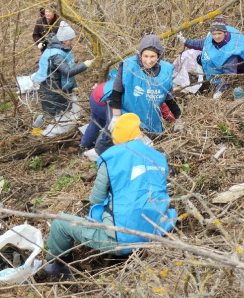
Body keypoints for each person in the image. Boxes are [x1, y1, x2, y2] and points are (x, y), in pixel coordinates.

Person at [44, 113, 177, 277]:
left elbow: (96, 199)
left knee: (60, 223)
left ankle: (57, 267)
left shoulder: (112, 157)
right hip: (158, 232)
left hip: (123, 239)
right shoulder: (159, 157)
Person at [93, 34, 180, 155]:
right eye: (145, 56)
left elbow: (170, 99)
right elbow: (116, 92)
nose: (148, 60)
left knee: (141, 138)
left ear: (159, 56)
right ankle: (100, 153)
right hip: (122, 106)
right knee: (114, 130)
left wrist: (179, 118)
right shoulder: (129, 66)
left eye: (152, 56)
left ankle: (127, 154)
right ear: (140, 55)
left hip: (145, 110)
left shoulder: (165, 71)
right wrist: (116, 117)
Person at [177, 15, 244, 99]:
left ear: (225, 33)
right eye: (214, 34)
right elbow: (201, 43)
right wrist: (186, 41)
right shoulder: (211, 39)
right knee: (195, 59)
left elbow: (228, 76)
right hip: (211, 66)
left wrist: (219, 91)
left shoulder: (230, 54)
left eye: (219, 33)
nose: (217, 36)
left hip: (226, 71)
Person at [32, 21, 92, 121]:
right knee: (54, 113)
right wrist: (84, 65)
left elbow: (66, 68)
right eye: (70, 40)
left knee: (58, 111)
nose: (72, 43)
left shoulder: (59, 48)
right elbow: (67, 72)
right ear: (63, 40)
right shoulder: (57, 55)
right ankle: (42, 128)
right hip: (51, 89)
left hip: (56, 86)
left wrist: (74, 86)